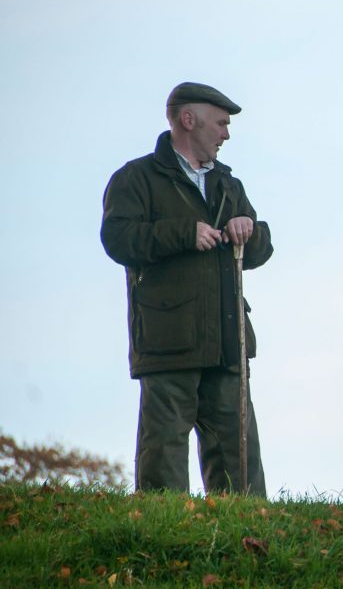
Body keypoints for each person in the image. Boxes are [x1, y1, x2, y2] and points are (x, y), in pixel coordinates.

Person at [101, 81, 273, 496]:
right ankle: (162, 533)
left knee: (240, 464)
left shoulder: (229, 184)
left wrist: (249, 231)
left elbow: (260, 251)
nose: (226, 134)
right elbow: (117, 239)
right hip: (168, 342)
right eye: (221, 123)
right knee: (163, 460)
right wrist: (183, 234)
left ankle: (250, 533)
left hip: (228, 343)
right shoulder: (136, 178)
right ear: (188, 119)